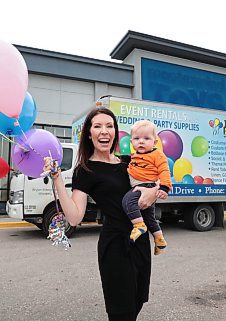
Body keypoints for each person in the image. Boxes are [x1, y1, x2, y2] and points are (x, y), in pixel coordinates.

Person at [44, 107, 159, 321]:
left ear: (115, 132)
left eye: (109, 126)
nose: (104, 131)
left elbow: (157, 181)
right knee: (121, 311)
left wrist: (153, 192)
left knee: (138, 301)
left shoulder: (130, 161)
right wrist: (58, 179)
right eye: (97, 126)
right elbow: (75, 217)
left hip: (140, 240)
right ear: (89, 133)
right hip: (115, 246)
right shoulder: (86, 170)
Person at [123, 120, 171, 255]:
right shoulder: (135, 156)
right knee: (150, 218)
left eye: (146, 138)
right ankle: (159, 239)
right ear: (131, 141)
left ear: (155, 142)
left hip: (146, 185)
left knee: (127, 201)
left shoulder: (157, 155)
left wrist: (164, 187)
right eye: (137, 138)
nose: (141, 142)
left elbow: (164, 171)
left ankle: (138, 225)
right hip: (143, 185)